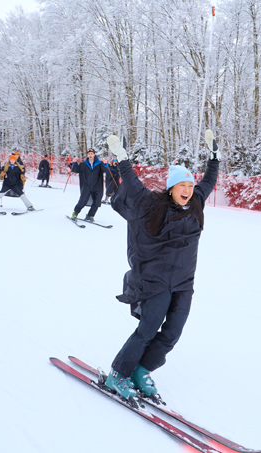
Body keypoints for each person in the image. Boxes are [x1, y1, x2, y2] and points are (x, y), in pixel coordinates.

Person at [102, 130, 220, 399]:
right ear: (171, 188)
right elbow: (131, 184)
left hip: (184, 282)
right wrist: (122, 158)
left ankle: (142, 370)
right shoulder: (152, 205)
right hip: (156, 280)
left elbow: (210, 180)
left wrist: (214, 157)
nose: (188, 191)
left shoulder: (197, 203)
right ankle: (118, 374)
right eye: (182, 186)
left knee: (172, 332)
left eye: (190, 186)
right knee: (148, 329)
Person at [70, 148, 105, 221]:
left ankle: (90, 215)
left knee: (97, 201)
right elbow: (76, 170)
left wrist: (105, 164)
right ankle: (75, 213)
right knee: (83, 200)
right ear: (87, 155)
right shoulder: (83, 164)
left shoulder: (99, 164)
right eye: (89, 154)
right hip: (86, 185)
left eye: (91, 154)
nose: (90, 155)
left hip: (97, 186)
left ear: (94, 155)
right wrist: (74, 163)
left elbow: (106, 170)